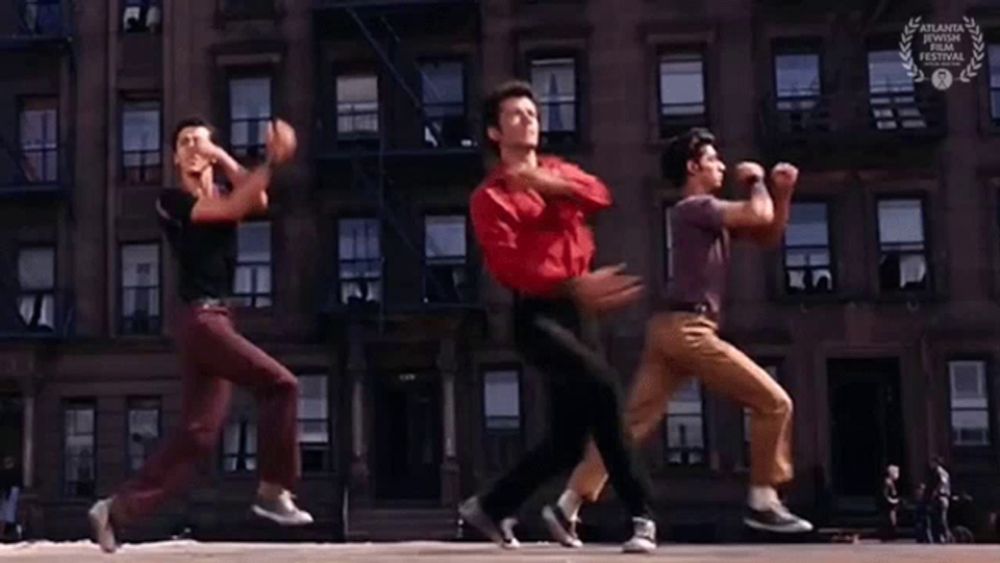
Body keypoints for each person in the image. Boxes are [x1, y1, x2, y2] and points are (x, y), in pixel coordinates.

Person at [544, 128, 812, 548]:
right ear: (693, 168)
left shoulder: (709, 213)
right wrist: (757, 180)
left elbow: (767, 232)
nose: (722, 164)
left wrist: (783, 193)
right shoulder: (695, 207)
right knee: (774, 403)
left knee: (630, 426)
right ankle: (763, 499)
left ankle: (566, 505)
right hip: (689, 329)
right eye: (713, 158)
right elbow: (757, 216)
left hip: (670, 331)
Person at [88, 117, 312, 554]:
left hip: (219, 321)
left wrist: (226, 157)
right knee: (281, 383)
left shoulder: (223, 191)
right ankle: (272, 491)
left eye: (200, 141)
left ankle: (115, 510)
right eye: (184, 143)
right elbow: (232, 210)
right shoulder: (170, 201)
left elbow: (257, 199)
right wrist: (270, 159)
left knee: (198, 435)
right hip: (199, 320)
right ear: (174, 157)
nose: (192, 148)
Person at [458, 80, 657, 554]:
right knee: (606, 388)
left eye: (532, 112)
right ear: (494, 132)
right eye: (515, 114)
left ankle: (489, 507)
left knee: (569, 440)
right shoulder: (490, 198)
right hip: (536, 316)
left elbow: (600, 197)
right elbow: (509, 265)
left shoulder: (557, 172)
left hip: (579, 311)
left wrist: (552, 185)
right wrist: (569, 284)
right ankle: (643, 515)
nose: (529, 118)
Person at [925, 457, 952, 543]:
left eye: (932, 462)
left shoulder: (940, 472)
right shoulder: (936, 472)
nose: (930, 464)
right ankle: (939, 537)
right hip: (939, 498)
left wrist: (935, 492)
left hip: (941, 498)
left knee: (941, 519)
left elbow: (942, 482)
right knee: (937, 518)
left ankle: (946, 536)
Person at [879, 464, 900, 541]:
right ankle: (888, 536)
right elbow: (885, 495)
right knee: (890, 521)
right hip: (888, 506)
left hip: (891, 506)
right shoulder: (887, 482)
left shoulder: (891, 482)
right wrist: (894, 501)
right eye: (896, 472)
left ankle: (890, 536)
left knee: (892, 520)